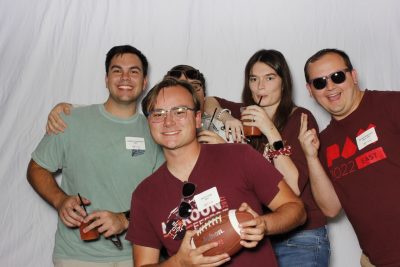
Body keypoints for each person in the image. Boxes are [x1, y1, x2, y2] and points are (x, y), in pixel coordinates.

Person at [126, 77, 306, 267]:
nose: (168, 121)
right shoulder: (144, 195)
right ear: (149, 123)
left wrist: (264, 225)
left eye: (179, 111)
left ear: (197, 119)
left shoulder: (239, 157)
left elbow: (296, 209)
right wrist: (179, 263)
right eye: (158, 114)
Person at [27, 45, 163, 266]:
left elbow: (165, 193)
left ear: (144, 81)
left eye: (134, 71)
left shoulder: (157, 130)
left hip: (139, 256)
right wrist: (60, 200)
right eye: (117, 70)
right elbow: (37, 168)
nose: (125, 77)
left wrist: (125, 219)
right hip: (77, 257)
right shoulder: (71, 120)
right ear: (106, 79)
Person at [204, 49, 330, 266]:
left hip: (301, 238)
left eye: (269, 78)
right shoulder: (244, 113)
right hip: (259, 237)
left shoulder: (300, 117)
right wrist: (226, 118)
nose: (260, 86)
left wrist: (270, 131)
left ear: (284, 82)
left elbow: (294, 187)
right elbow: (207, 101)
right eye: (254, 79)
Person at [299, 48, 400, 267]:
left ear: (353, 76)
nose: (330, 87)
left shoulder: (391, 105)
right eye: (319, 82)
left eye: (337, 76)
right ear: (310, 90)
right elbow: (330, 208)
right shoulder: (322, 142)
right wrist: (311, 157)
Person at [45, 64, 242, 144]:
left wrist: (225, 148)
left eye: (194, 87)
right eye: (180, 88)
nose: (187, 94)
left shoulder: (223, 125)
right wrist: (69, 109)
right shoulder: (158, 122)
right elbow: (118, 118)